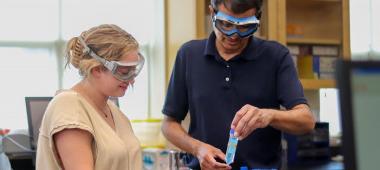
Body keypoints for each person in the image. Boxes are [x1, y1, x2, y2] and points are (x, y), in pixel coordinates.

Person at [161, 0, 316, 169]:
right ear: (212, 13)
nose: (234, 35)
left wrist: (268, 115)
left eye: (244, 27)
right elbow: (169, 124)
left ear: (258, 18)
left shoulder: (276, 56)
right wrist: (197, 149)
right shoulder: (189, 55)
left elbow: (306, 120)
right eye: (226, 24)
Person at [36, 24, 144, 170]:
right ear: (97, 69)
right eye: (125, 72)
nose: (132, 80)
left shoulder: (113, 111)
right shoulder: (69, 109)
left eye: (134, 71)